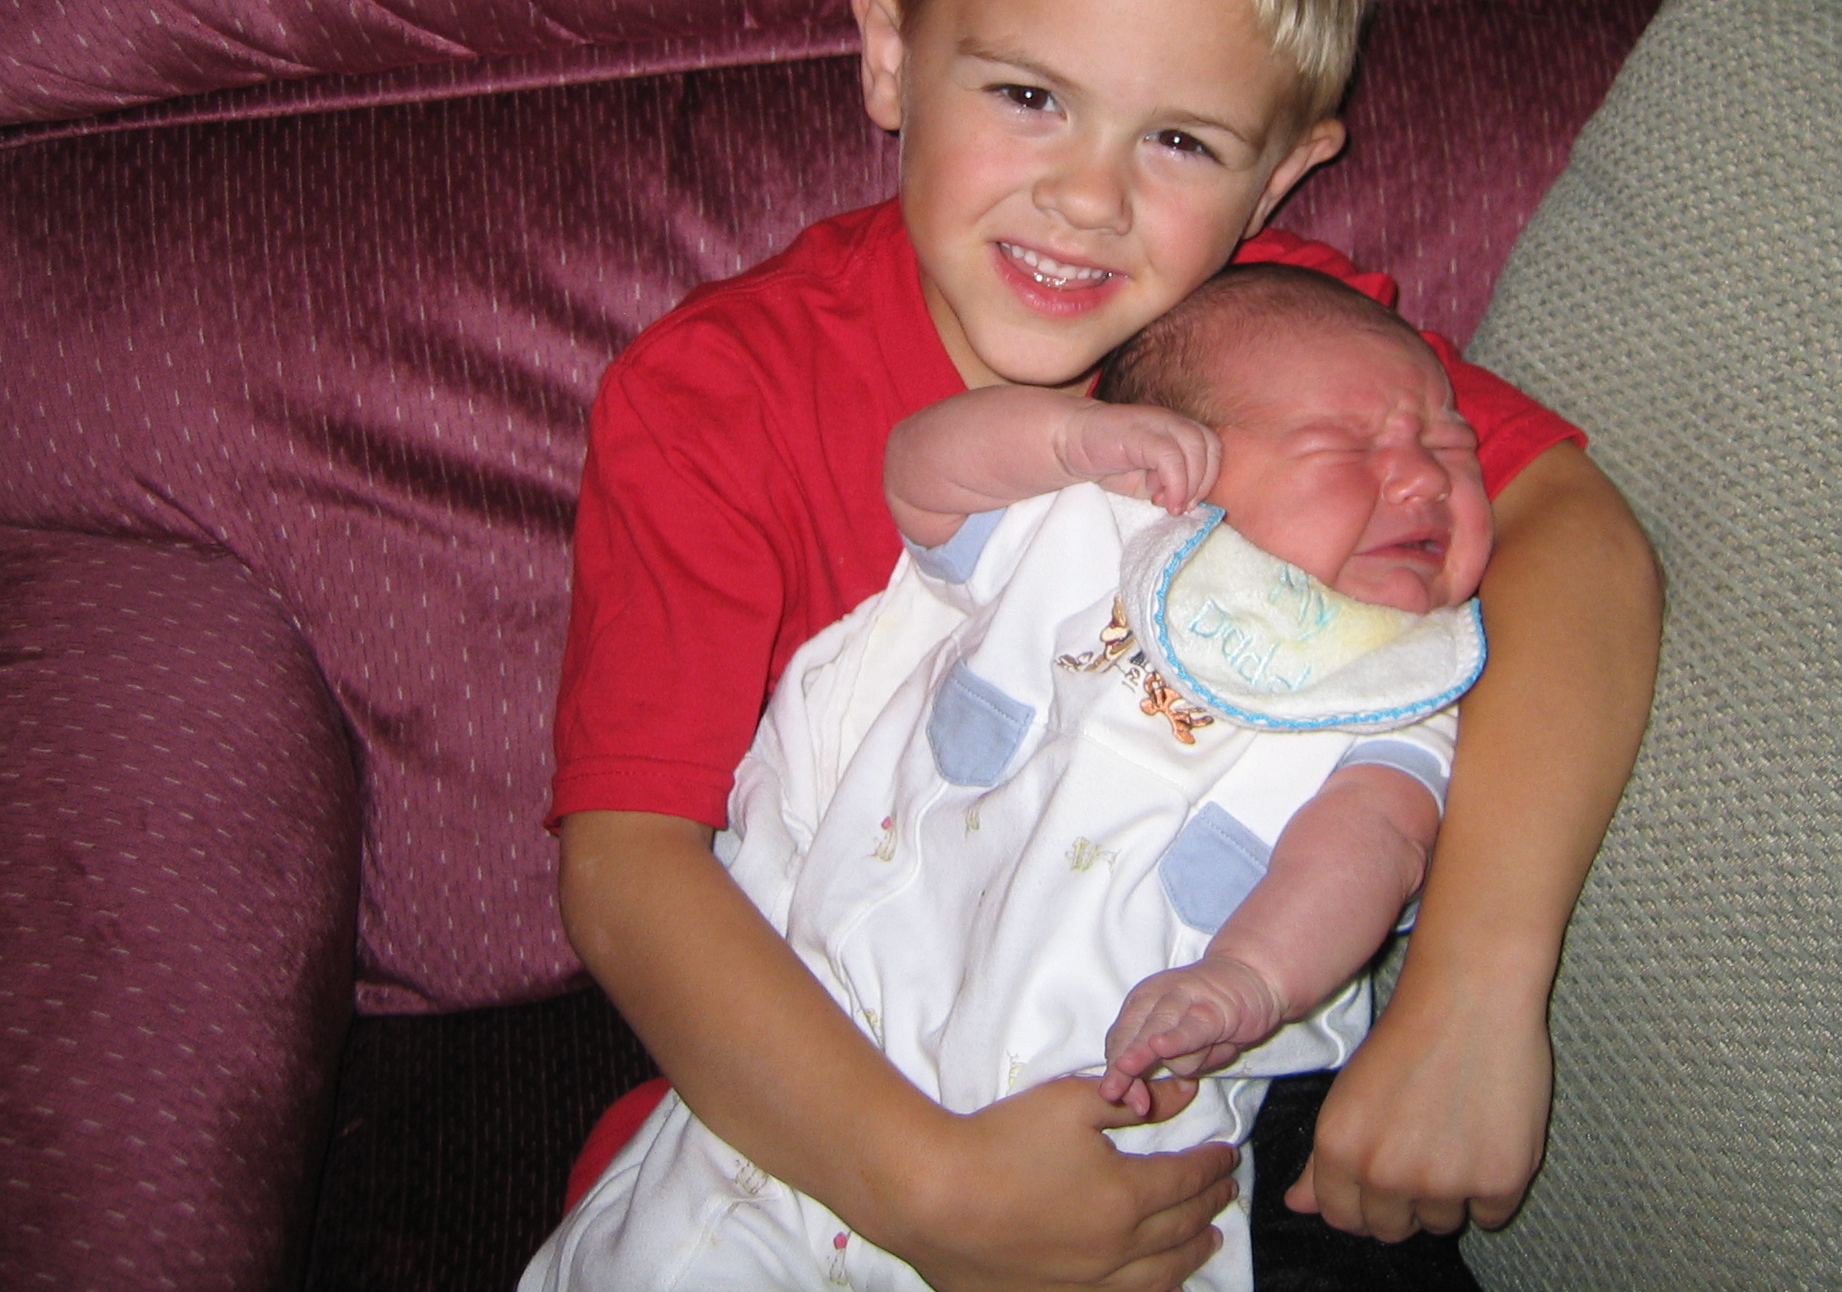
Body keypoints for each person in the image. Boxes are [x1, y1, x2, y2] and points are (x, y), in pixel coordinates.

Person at [553, 0, 1661, 1292]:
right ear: (890, 56)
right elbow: (626, 869)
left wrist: (1476, 989)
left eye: (1182, 141)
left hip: (1194, 1134)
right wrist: (929, 1189)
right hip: (803, 1151)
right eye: (1028, 93)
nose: (1088, 198)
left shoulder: (1288, 353)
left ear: (1279, 179)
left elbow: (1578, 537)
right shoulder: (714, 397)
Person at [529, 267, 1499, 1292]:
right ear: (1178, 457)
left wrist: (1252, 979)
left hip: (1104, 1160)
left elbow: (1375, 845)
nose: (1425, 478)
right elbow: (919, 475)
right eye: (1348, 445)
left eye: (1452, 448)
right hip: (835, 1064)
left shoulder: (1400, 688)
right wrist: (1070, 441)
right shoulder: (1083, 534)